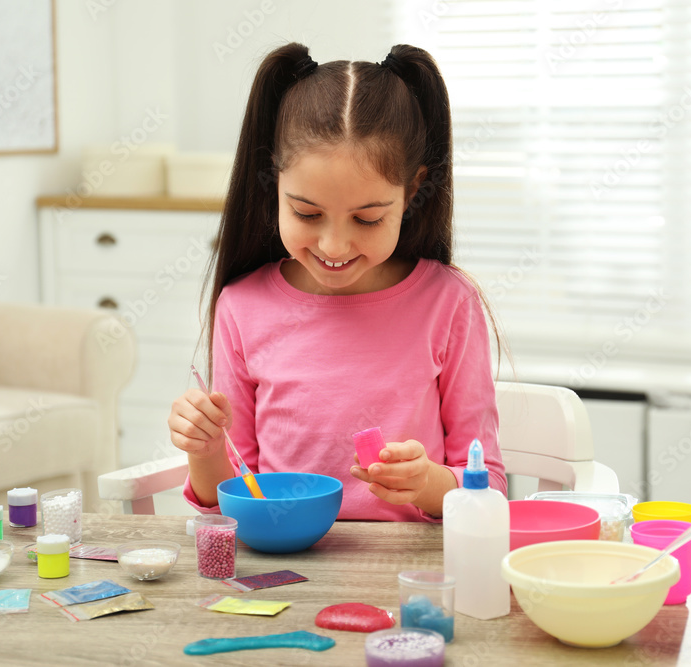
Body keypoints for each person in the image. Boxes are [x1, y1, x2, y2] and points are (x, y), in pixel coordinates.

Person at [168, 42, 505, 522]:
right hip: (286, 571)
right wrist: (202, 450)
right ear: (274, 183)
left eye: (367, 219)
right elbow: (234, 495)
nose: (333, 246)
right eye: (307, 213)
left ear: (412, 192)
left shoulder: (448, 303)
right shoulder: (242, 306)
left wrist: (426, 482)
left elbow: (486, 483)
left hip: (406, 571)